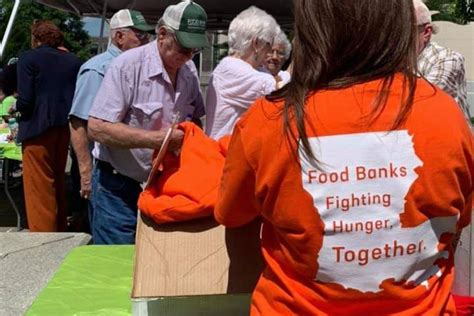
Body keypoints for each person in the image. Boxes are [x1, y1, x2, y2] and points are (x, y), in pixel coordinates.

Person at [215, 0, 473, 315]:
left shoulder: (268, 121)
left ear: (311, 28)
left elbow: (235, 218)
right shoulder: (445, 116)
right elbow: (455, 222)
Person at [87, 0, 208, 244]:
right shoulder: (127, 66)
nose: (188, 56)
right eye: (184, 48)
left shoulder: (188, 71)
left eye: (194, 51)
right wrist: (159, 140)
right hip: (119, 186)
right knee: (116, 263)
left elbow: (195, 116)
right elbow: (97, 127)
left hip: (166, 186)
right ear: (162, 34)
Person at [68, 9, 153, 231]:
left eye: (147, 35)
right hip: (107, 175)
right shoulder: (98, 69)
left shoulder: (138, 66)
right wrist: (86, 175)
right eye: (140, 35)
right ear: (119, 37)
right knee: (113, 247)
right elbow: (79, 124)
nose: (146, 40)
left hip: (132, 174)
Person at [16, 21, 82, 232]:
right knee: (57, 181)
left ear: (36, 38)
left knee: (39, 186)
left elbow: (25, 100)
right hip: (64, 128)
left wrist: (17, 109)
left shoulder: (29, 58)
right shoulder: (73, 61)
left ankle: (43, 236)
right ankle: (60, 226)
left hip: (37, 127)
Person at [205, 6, 279, 140]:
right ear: (256, 43)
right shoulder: (231, 68)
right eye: (269, 44)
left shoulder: (252, 69)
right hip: (224, 156)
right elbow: (278, 90)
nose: (269, 53)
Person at [414, 0, 471, 122]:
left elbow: (423, 97)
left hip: (450, 138)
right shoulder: (394, 60)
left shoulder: (447, 59)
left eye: (402, 28)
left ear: (426, 32)